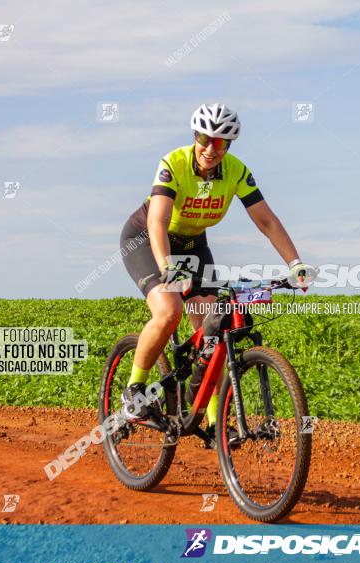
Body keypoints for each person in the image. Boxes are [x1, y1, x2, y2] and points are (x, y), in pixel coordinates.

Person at [119, 103, 313, 445]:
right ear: (195, 136)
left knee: (210, 331)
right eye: (204, 139)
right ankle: (135, 390)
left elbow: (266, 220)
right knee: (169, 312)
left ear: (230, 146)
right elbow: (158, 222)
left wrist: (294, 264)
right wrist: (168, 269)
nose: (211, 149)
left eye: (220, 143)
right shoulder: (173, 163)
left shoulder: (236, 171)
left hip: (193, 244)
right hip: (147, 241)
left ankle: (212, 422)